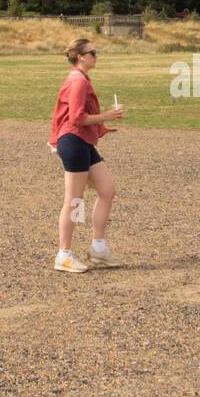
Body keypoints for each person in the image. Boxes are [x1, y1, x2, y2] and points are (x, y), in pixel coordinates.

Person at [48, 37, 124, 273]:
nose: (96, 55)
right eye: (92, 52)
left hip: (83, 142)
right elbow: (77, 119)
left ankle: (98, 249)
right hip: (73, 141)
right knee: (74, 200)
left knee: (107, 190)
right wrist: (108, 116)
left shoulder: (81, 79)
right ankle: (64, 254)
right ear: (80, 56)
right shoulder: (78, 81)